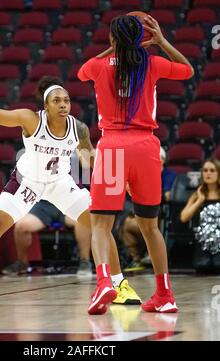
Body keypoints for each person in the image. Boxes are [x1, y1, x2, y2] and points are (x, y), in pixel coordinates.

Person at [0, 74, 140, 306]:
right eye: (57, 101)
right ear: (46, 106)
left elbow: (90, 159)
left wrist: (120, 177)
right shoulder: (30, 120)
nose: (63, 105)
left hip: (60, 183)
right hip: (28, 182)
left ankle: (119, 286)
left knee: (100, 226)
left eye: (66, 101)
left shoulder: (78, 128)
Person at [78, 14, 193, 314]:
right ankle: (165, 295)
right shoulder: (152, 63)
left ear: (113, 39)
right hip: (145, 147)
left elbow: (80, 72)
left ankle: (105, 281)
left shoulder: (99, 66)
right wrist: (163, 42)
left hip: (114, 146)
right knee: (150, 227)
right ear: (142, 38)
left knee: (101, 225)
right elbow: (188, 70)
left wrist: (112, 50)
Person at [2, 200, 93, 277]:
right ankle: (22, 263)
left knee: (83, 220)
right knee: (21, 226)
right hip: (43, 205)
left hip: (68, 201)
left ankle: (85, 261)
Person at [122, 146, 176, 269]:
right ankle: (136, 259)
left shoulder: (169, 174)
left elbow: (167, 195)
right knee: (126, 224)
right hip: (141, 210)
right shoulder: (142, 173)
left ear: (163, 160)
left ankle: (154, 257)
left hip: (161, 213)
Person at [180, 158, 220, 271]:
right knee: (202, 266)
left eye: (212, 170)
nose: (208, 173)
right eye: (205, 170)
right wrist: (199, 201)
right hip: (203, 243)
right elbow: (183, 217)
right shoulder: (197, 195)